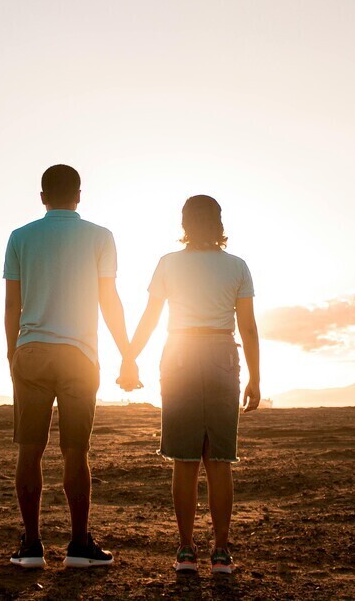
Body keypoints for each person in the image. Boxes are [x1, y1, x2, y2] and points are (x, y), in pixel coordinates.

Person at [117, 194, 261, 575]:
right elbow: (247, 328)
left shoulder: (168, 264)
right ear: (218, 223)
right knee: (219, 459)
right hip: (220, 354)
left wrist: (130, 357)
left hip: (179, 352)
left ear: (184, 224)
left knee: (184, 461)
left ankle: (185, 550)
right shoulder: (237, 266)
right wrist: (256, 377)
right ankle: (221, 552)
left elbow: (150, 317)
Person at [3, 164, 134, 569]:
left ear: (42, 197)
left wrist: (13, 355)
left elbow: (12, 305)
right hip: (80, 356)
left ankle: (31, 546)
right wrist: (127, 355)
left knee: (30, 450)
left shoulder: (20, 237)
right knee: (76, 452)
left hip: (33, 350)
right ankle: (79, 546)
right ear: (79, 194)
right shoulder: (100, 237)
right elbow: (108, 300)